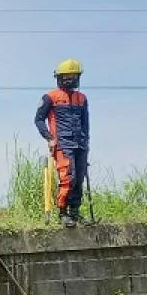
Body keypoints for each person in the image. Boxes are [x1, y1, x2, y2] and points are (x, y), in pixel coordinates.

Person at [33, 59, 90, 227]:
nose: (69, 80)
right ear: (59, 78)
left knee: (79, 179)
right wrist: (50, 138)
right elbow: (38, 120)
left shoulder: (82, 98)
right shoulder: (50, 97)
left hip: (80, 144)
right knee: (68, 178)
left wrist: (86, 142)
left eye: (72, 76)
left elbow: (86, 123)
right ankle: (63, 213)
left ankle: (75, 212)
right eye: (65, 76)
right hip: (63, 144)